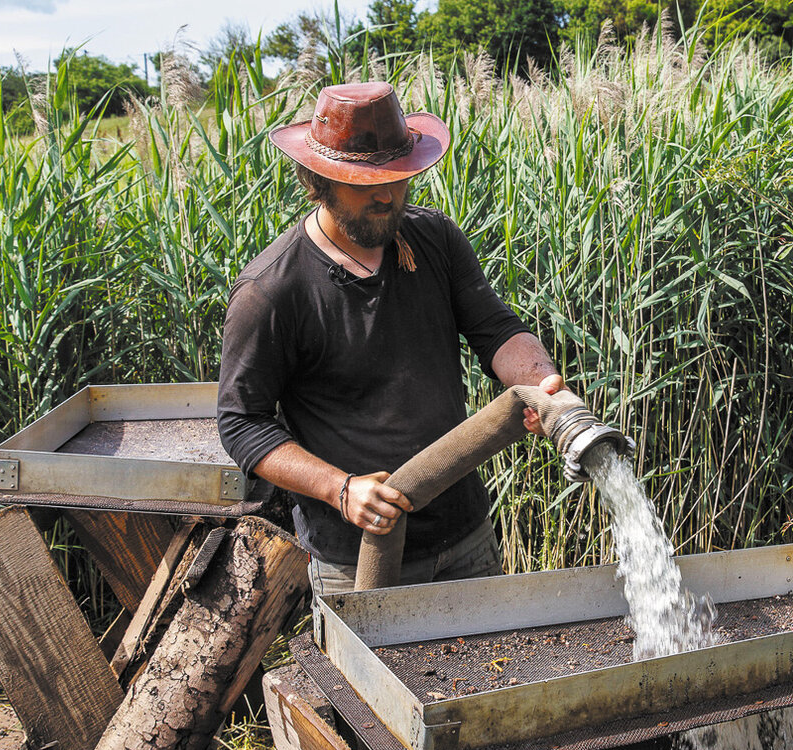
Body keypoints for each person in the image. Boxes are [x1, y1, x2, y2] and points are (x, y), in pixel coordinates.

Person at [217, 82, 562, 599]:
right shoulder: (271, 291)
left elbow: (497, 332)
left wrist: (541, 384)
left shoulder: (434, 239)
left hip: (465, 537)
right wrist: (342, 489)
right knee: (372, 682)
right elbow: (242, 423)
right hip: (355, 556)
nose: (386, 195)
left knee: (493, 674)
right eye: (365, 182)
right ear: (318, 180)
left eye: (398, 179)